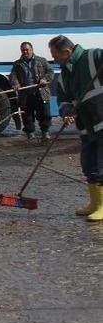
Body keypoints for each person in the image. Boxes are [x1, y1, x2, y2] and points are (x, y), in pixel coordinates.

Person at [49, 35, 103, 221]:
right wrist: (66, 111)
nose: (54, 60)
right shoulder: (65, 72)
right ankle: (95, 204)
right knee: (89, 163)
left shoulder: (94, 56)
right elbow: (62, 97)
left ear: (67, 52)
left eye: (56, 56)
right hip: (87, 126)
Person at [9, 42, 54, 140]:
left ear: (32, 49)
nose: (25, 52)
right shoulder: (17, 64)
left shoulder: (42, 61)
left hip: (41, 92)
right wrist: (16, 84)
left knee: (44, 114)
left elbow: (50, 72)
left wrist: (45, 79)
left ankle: (45, 132)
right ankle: (30, 134)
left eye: (27, 49)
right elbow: (13, 76)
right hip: (26, 93)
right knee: (27, 115)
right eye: (23, 50)